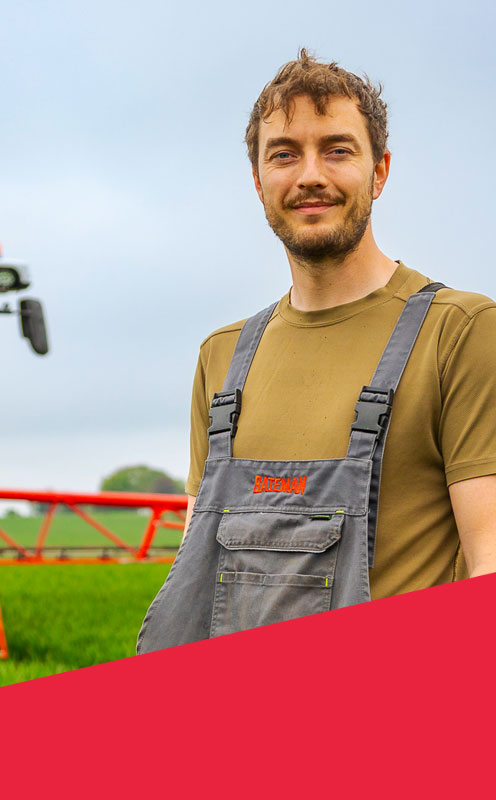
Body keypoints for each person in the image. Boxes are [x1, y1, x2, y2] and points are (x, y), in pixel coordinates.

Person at [137, 49, 496, 654]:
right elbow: (198, 571)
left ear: (379, 172)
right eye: (284, 154)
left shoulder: (460, 332)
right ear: (258, 181)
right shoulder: (222, 359)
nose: (310, 175)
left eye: (337, 149)